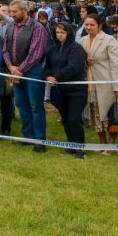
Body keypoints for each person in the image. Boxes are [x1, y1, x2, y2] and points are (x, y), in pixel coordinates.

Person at [2, 0, 49, 151]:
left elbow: (36, 54)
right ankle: (27, 135)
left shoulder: (37, 28)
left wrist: (19, 71)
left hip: (32, 72)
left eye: (15, 11)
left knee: (35, 106)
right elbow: (5, 50)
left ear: (24, 11)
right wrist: (10, 67)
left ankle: (39, 140)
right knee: (21, 104)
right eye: (11, 12)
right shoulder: (10, 27)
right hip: (15, 70)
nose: (12, 14)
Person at [81, 13, 118, 151]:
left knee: (110, 114)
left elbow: (116, 64)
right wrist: (85, 61)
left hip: (107, 82)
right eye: (86, 24)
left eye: (92, 25)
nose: (88, 27)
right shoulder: (82, 40)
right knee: (96, 114)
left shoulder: (109, 40)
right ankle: (102, 143)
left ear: (100, 26)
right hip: (90, 83)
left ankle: (112, 144)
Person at [43, 21, 88, 158]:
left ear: (69, 33)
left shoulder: (77, 48)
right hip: (59, 90)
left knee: (74, 119)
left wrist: (56, 76)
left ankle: (81, 149)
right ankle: (72, 145)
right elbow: (48, 66)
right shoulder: (53, 49)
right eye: (57, 32)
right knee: (66, 118)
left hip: (76, 90)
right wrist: (48, 75)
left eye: (63, 32)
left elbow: (73, 67)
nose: (59, 35)